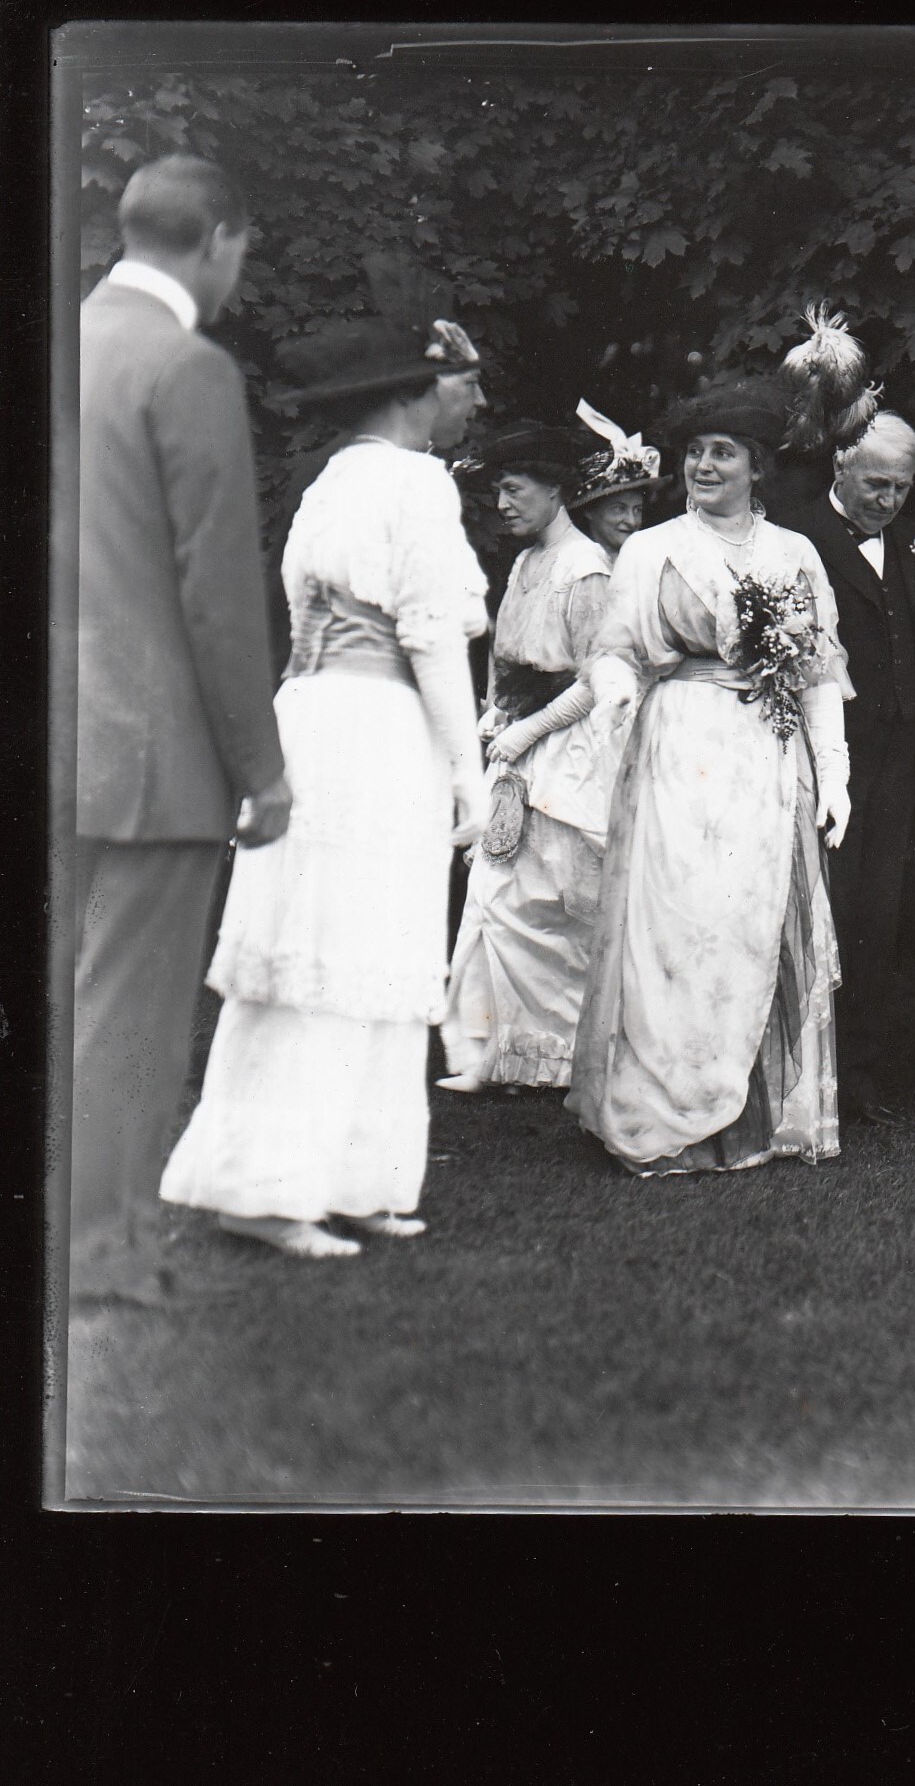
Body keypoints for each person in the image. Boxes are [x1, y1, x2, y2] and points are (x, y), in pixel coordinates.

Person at [159, 265, 490, 1257]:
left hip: (314, 715)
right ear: (418, 389)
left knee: (354, 944)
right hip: (374, 726)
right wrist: (468, 770)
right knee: (349, 942)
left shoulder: (330, 482)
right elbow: (430, 634)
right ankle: (272, 1188)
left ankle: (352, 1176)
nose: (476, 399)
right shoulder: (412, 481)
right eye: (466, 382)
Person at [72, 156, 289, 1303]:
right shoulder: (185, 365)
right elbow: (217, 589)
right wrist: (261, 769)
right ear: (216, 238)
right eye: (240, 253)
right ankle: (98, 1249)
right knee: (129, 1011)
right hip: (148, 751)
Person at [569, 377, 852, 1175]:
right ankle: (664, 1115)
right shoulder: (652, 547)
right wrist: (620, 691)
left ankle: (757, 1113)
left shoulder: (794, 552)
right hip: (681, 747)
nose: (704, 465)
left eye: (722, 452)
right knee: (680, 920)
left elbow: (821, 670)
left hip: (766, 754)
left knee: (750, 921)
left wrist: (834, 774)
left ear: (757, 466)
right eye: (694, 452)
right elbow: (613, 650)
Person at [774, 411, 915, 1124]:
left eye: (902, 488)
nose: (889, 500)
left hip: (904, 758)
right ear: (841, 466)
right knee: (828, 908)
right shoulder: (796, 536)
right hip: (829, 755)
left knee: (886, 909)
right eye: (877, 483)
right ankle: (811, 1069)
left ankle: (868, 1068)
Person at [438, 425, 614, 1094]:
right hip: (516, 743)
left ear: (555, 489)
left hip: (566, 749)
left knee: (546, 903)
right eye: (498, 491)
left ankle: (558, 1053)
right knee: (492, 894)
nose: (503, 503)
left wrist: (529, 729)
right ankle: (492, 1053)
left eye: (514, 489)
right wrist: (495, 714)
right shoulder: (523, 564)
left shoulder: (586, 567)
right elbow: (506, 656)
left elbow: (598, 675)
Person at [567, 397, 663, 558]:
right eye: (619, 509)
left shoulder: (645, 564)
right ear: (589, 510)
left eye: (637, 510)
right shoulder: (577, 565)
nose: (632, 522)